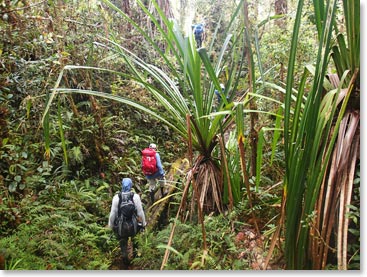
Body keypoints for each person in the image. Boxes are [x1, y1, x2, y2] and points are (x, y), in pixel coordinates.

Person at [108, 178, 146, 266]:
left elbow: (113, 214)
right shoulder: (135, 197)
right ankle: (136, 256)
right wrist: (143, 224)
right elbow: (140, 212)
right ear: (131, 186)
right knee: (135, 238)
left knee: (123, 240)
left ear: (122, 185)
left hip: (122, 227)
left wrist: (111, 225)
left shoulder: (116, 198)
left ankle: (125, 256)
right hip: (133, 226)